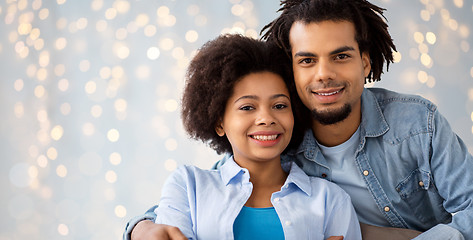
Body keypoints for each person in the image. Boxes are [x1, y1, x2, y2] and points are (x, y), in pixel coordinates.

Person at [124, 0, 473, 239]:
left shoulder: (417, 124)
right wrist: (142, 227)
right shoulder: (280, 138)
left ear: (365, 63)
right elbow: (203, 189)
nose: (324, 74)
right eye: (307, 60)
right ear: (291, 69)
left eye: (340, 56)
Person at [144, 34, 362, 240]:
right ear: (219, 122)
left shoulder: (330, 200)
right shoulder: (188, 186)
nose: (266, 118)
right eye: (248, 107)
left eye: (279, 105)